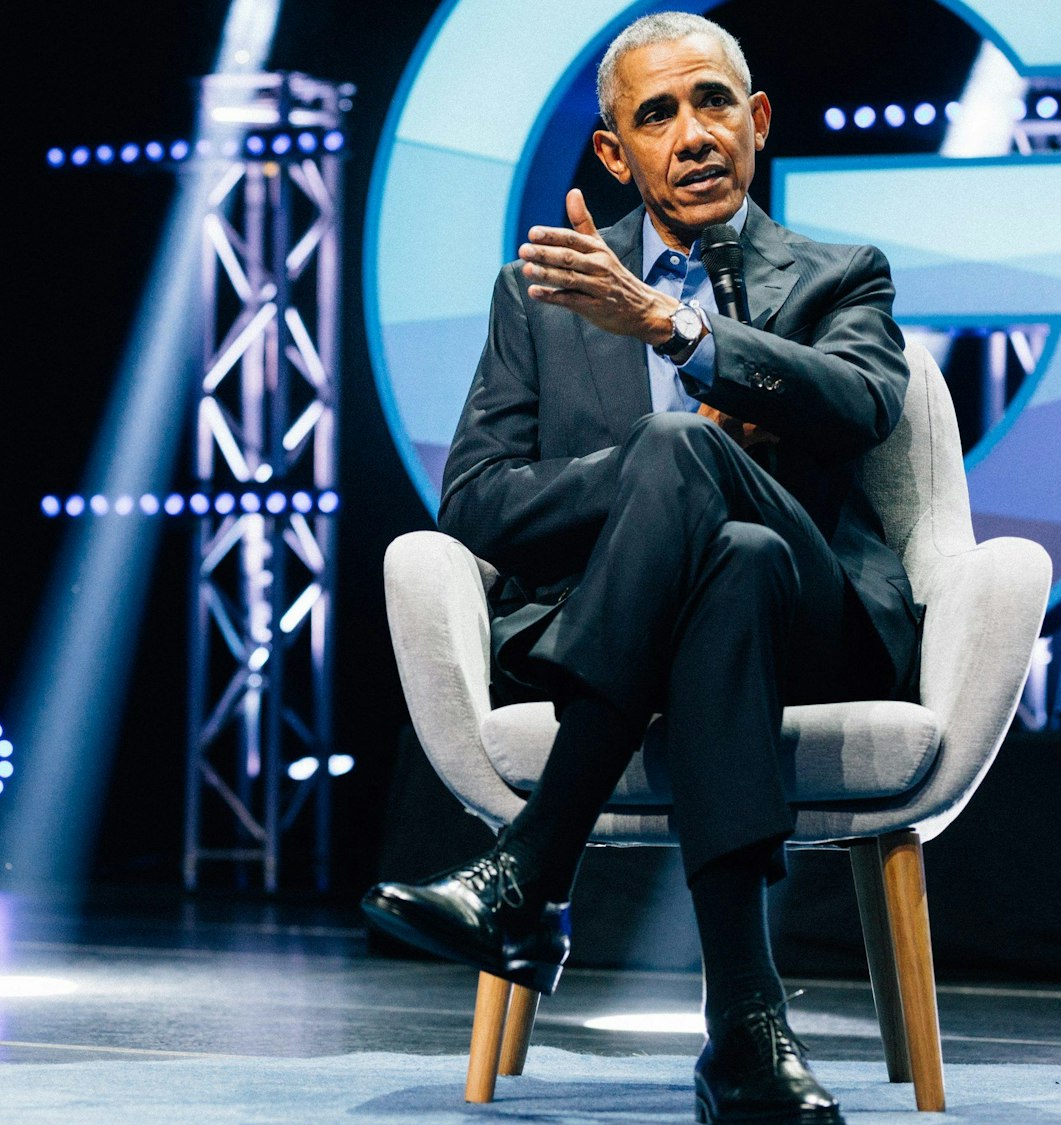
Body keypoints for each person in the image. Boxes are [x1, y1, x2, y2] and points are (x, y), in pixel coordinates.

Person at [361, 12, 921, 1124]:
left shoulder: (840, 273)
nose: (693, 133)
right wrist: (653, 475)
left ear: (756, 120)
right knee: (722, 542)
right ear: (615, 152)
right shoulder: (542, 291)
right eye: (655, 115)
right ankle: (745, 1036)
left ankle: (530, 866)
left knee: (708, 476)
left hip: (813, 631)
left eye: (713, 102)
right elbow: (473, 501)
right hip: (696, 613)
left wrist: (674, 330)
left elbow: (860, 402)